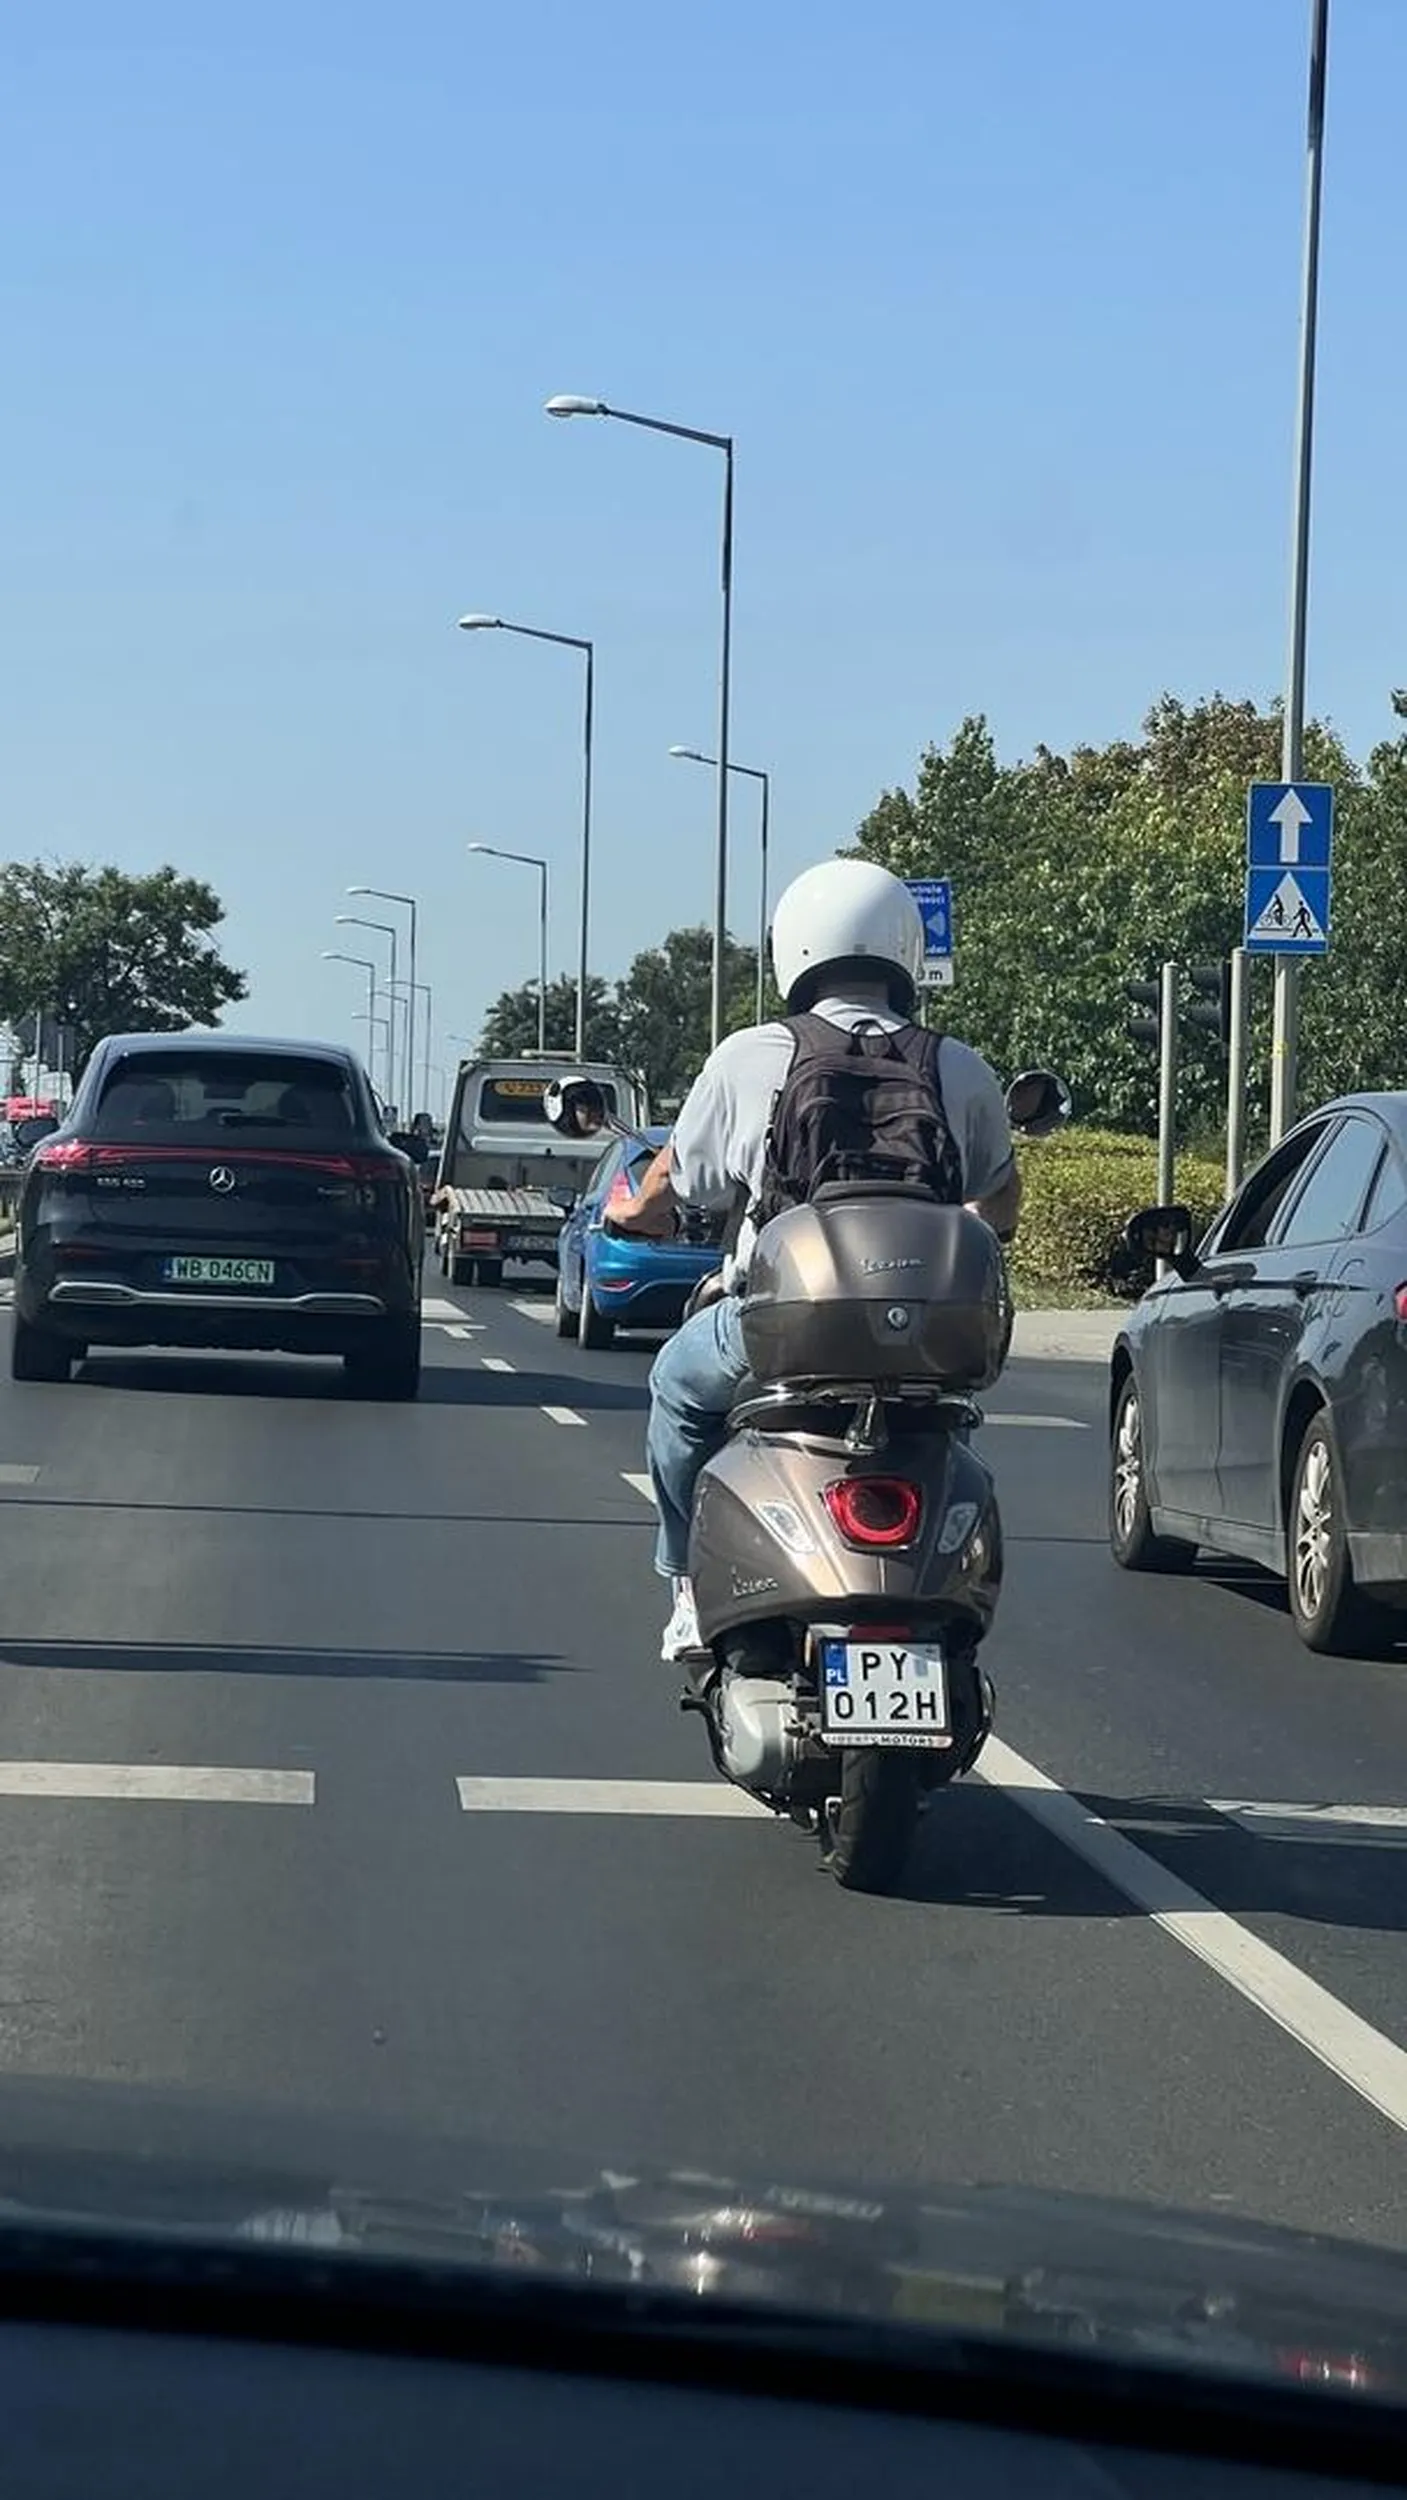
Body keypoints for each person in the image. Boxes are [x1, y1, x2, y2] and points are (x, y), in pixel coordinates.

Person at [609, 857, 1022, 1661]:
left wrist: (632, 1211)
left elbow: (680, 1182)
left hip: (784, 1330)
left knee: (678, 1390)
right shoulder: (958, 1065)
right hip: (926, 1336)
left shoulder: (749, 1054)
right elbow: (999, 1197)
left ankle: (687, 1586)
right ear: (905, 950)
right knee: (949, 1432)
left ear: (791, 948)